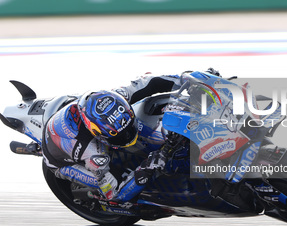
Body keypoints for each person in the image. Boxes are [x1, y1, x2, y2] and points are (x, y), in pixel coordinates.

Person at [42, 72, 184, 202]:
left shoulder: (117, 97)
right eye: (119, 136)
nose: (128, 137)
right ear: (98, 135)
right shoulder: (93, 153)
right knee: (119, 181)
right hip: (63, 163)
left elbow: (150, 81)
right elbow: (114, 194)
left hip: (73, 113)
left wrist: (185, 79)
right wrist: (147, 168)